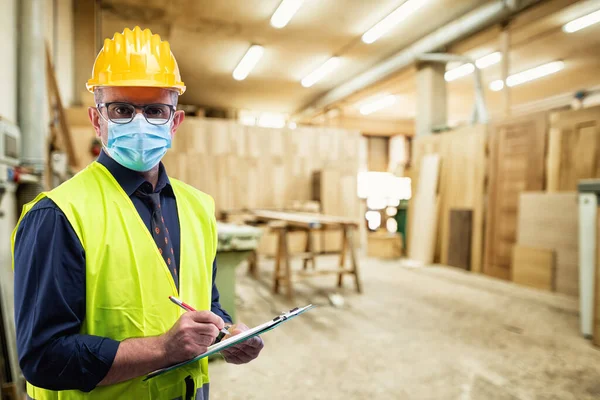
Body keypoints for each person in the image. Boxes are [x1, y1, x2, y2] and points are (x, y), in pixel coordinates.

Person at [12, 26, 263, 400]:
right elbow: (44, 357)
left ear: (175, 122)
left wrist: (225, 333)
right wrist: (163, 349)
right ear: (98, 120)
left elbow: (204, 304)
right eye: (122, 109)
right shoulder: (59, 215)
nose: (140, 122)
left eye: (156, 110)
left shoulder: (198, 207)